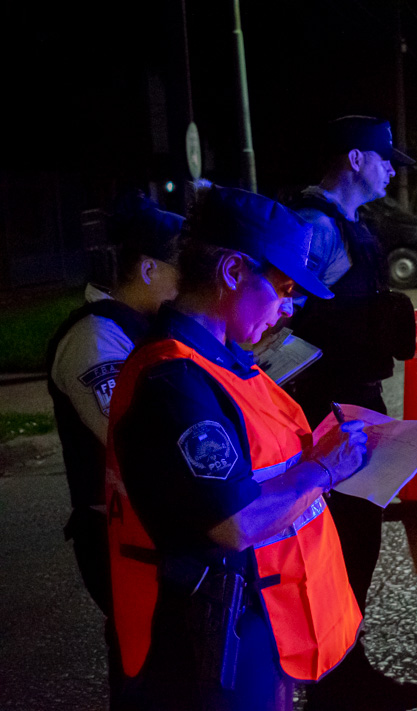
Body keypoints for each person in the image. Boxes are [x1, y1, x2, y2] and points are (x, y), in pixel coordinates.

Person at [105, 185, 366, 710]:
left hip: (253, 622)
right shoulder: (175, 378)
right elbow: (237, 523)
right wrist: (323, 470)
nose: (289, 308)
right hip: (206, 642)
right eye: (285, 287)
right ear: (232, 272)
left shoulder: (220, 358)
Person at [286, 115, 417, 711]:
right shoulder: (315, 229)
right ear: (355, 159)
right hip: (326, 411)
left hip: (355, 403)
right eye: (385, 157)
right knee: (342, 543)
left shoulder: (349, 225)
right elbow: (272, 324)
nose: (393, 168)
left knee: (357, 542)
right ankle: (333, 681)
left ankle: (346, 669)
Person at [46, 195, 183, 704]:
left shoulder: (135, 329)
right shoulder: (96, 336)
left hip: (144, 530)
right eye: (181, 267)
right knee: (144, 666)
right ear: (147, 268)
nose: (189, 280)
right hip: (116, 536)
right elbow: (124, 432)